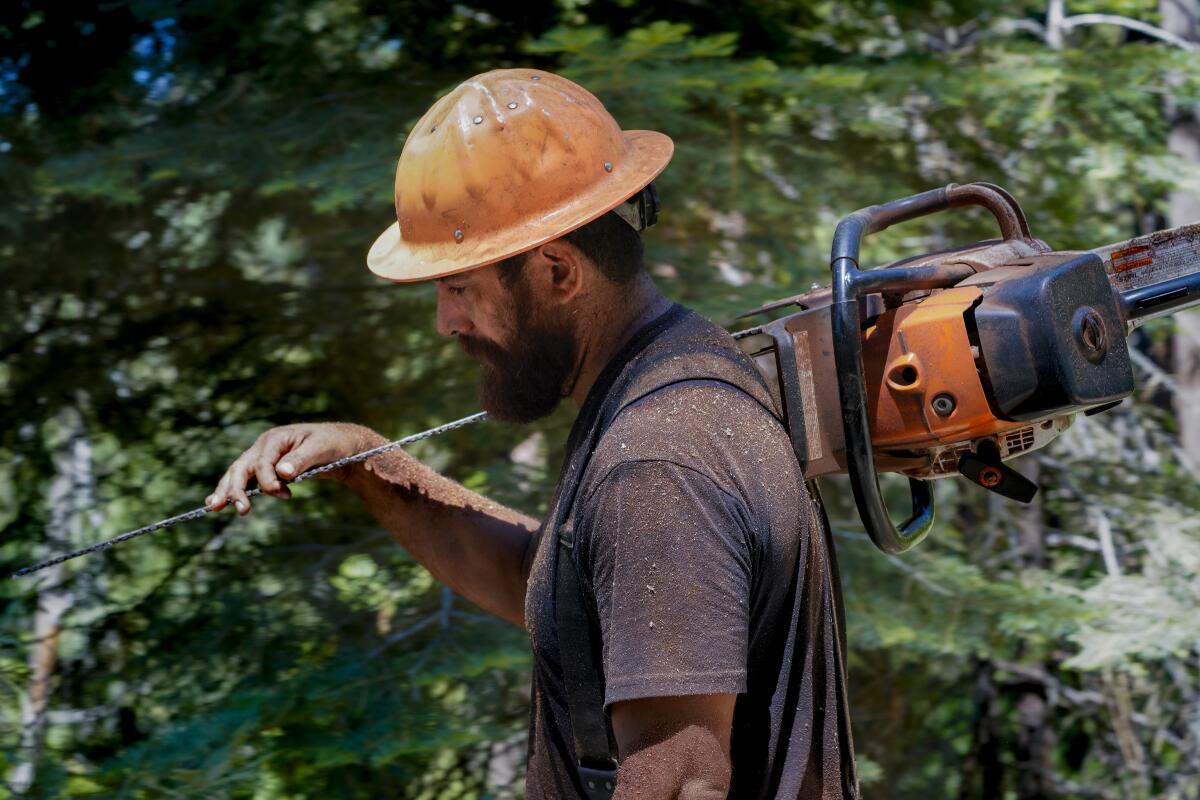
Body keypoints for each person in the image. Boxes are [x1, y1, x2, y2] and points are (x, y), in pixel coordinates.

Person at [207, 69, 857, 799]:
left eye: (460, 289)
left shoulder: (658, 461)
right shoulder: (668, 383)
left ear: (556, 271)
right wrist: (368, 459)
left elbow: (681, 787)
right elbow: (545, 584)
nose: (446, 323)